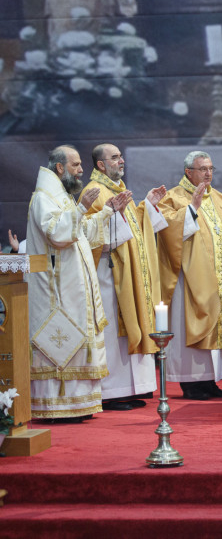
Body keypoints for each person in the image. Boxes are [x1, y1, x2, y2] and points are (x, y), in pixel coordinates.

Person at [26, 145, 129, 422]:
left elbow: (81, 233)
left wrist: (105, 212)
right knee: (61, 343)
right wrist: (82, 208)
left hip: (71, 287)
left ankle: (80, 403)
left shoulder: (62, 196)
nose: (82, 170)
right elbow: (58, 234)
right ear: (60, 167)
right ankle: (57, 407)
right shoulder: (43, 197)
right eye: (76, 165)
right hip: (56, 290)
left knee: (77, 340)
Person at [158, 151, 222, 400]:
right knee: (190, 324)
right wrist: (191, 208)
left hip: (219, 278)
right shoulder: (173, 197)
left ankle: (210, 380)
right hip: (189, 279)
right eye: (203, 169)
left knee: (216, 326)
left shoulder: (219, 198)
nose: (208, 173)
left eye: (211, 168)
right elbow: (167, 231)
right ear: (188, 172)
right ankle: (190, 383)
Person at [79, 143, 168, 410]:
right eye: (114, 157)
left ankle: (130, 389)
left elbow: (133, 227)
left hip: (128, 273)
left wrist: (147, 207)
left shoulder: (117, 190)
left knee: (129, 326)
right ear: (100, 165)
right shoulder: (94, 192)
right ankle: (110, 392)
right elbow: (88, 235)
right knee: (112, 333)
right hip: (108, 275)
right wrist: (112, 214)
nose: (121, 161)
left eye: (121, 157)